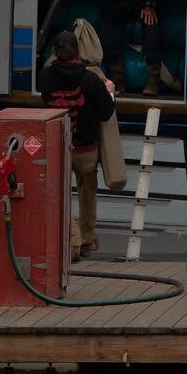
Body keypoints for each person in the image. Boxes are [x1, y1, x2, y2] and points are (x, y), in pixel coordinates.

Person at [36, 31, 116, 260]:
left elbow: (46, 100)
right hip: (86, 148)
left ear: (55, 52)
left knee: (59, 195)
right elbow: (106, 112)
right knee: (87, 195)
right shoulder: (90, 79)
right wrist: (109, 93)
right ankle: (87, 241)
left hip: (57, 147)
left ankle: (71, 241)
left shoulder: (46, 77)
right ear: (77, 51)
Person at [60, 0, 164, 95]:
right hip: (113, 5)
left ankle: (153, 81)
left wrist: (149, 5)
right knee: (108, 36)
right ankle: (117, 81)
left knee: (151, 29)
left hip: (139, 3)